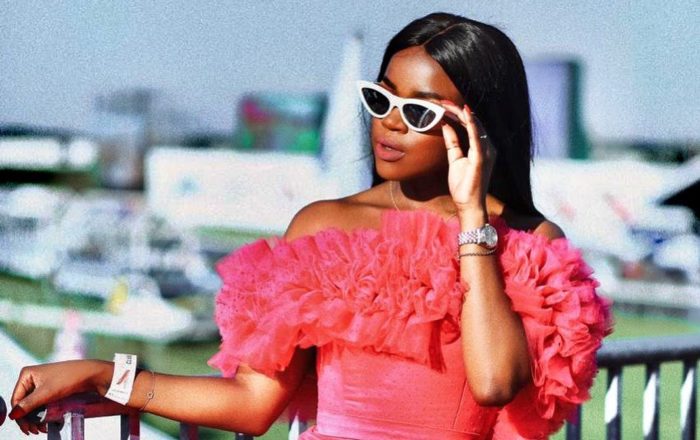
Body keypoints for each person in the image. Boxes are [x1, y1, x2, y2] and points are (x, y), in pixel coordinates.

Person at [8, 12, 611, 439]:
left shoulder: (530, 244)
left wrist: (472, 220)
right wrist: (104, 376)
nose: (390, 123)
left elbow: (496, 383)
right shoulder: (326, 228)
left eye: (419, 112)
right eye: (381, 99)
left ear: (475, 128)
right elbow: (252, 403)